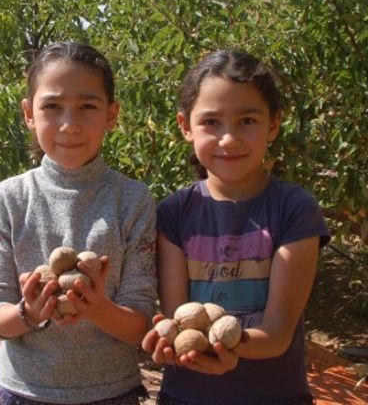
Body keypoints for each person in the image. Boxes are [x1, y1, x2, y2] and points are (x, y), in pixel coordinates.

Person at [141, 50, 330, 404]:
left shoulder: (295, 210)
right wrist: (168, 341)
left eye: (247, 120)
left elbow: (276, 334)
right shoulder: (173, 214)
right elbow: (178, 316)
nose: (229, 139)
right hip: (187, 396)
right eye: (211, 122)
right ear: (185, 127)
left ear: (273, 124)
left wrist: (229, 343)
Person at [0, 41, 158, 404]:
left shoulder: (133, 200)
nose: (69, 125)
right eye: (52, 107)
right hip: (20, 391)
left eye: (87, 107)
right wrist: (29, 313)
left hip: (111, 394)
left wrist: (97, 308)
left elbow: (141, 324)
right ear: (29, 113)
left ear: (112, 114)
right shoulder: (11, 198)